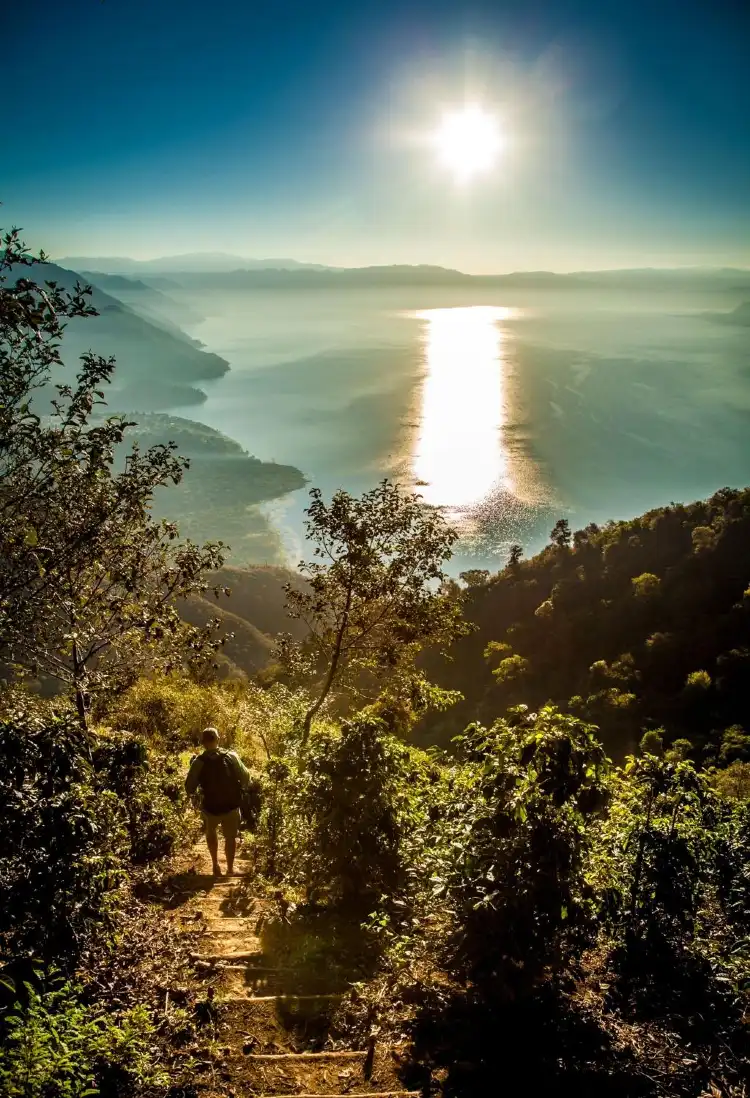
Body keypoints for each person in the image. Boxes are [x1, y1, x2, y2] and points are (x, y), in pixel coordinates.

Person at [185, 726, 252, 877]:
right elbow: (246, 777)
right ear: (218, 739)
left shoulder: (199, 762)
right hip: (231, 805)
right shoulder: (232, 756)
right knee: (230, 837)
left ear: (203, 742)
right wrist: (239, 789)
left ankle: (215, 864)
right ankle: (229, 868)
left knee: (211, 833)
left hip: (210, 806)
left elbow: (189, 787)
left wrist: (196, 797)